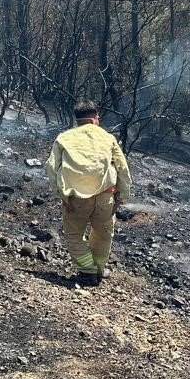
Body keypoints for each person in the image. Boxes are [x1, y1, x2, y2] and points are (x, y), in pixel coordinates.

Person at [44, 100, 132, 287]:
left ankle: (87, 271)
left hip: (76, 199)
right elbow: (122, 168)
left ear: (78, 120)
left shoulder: (64, 138)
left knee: (74, 235)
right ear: (94, 119)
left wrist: (61, 194)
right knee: (103, 234)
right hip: (106, 196)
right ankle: (98, 271)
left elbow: (51, 168)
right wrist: (122, 196)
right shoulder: (108, 138)